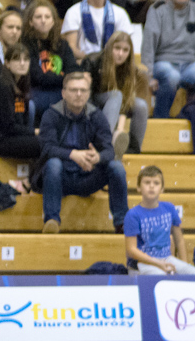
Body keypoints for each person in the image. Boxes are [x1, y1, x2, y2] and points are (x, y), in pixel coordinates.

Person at [33, 71, 127, 235]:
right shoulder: (51, 114)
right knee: (53, 163)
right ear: (63, 93)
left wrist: (98, 157)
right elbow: (47, 149)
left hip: (87, 175)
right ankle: (52, 221)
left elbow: (109, 150)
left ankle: (122, 224)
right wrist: (73, 154)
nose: (78, 94)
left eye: (83, 90)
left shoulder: (96, 116)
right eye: (73, 90)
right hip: (60, 178)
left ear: (89, 94)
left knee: (116, 166)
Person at [123, 166, 195, 275]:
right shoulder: (132, 215)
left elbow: (179, 240)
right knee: (160, 277)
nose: (152, 186)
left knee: (194, 274)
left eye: (156, 183)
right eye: (147, 182)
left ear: (162, 188)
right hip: (142, 263)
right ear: (138, 187)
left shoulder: (169, 208)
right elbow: (131, 250)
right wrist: (158, 263)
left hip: (166, 258)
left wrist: (184, 265)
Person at [91, 31, 148, 158]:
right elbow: (88, 96)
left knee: (141, 105)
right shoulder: (94, 62)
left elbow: (125, 104)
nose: (120, 54)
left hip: (117, 104)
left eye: (125, 50)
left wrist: (120, 130)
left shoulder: (130, 70)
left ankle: (133, 148)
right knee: (116, 95)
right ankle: (105, 143)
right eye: (117, 48)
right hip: (95, 103)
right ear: (109, 47)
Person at [0, 44, 41, 161]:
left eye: (26, 59)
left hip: (13, 136)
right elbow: (8, 126)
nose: (22, 63)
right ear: (7, 63)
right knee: (44, 144)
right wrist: (35, 131)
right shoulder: (2, 85)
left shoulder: (22, 83)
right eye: (17, 59)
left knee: (49, 142)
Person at [22, 0, 78, 117]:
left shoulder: (62, 44)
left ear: (53, 21)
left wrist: (66, 79)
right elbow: (37, 77)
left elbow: (73, 70)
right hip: (35, 92)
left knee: (82, 96)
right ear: (31, 21)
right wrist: (63, 77)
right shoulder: (25, 44)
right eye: (38, 17)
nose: (43, 21)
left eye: (47, 17)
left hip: (60, 92)